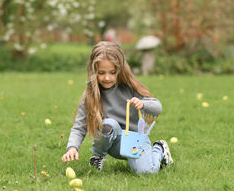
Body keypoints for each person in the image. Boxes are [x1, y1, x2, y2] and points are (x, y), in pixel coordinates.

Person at [61, 41, 173, 174]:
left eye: (112, 72)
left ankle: (159, 148)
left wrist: (143, 104)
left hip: (134, 141)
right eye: (101, 73)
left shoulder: (130, 87)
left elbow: (157, 107)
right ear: (94, 71)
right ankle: (97, 156)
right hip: (112, 142)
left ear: (120, 70)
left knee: (146, 172)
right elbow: (79, 126)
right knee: (109, 124)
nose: (107, 78)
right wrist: (72, 148)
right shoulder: (90, 95)